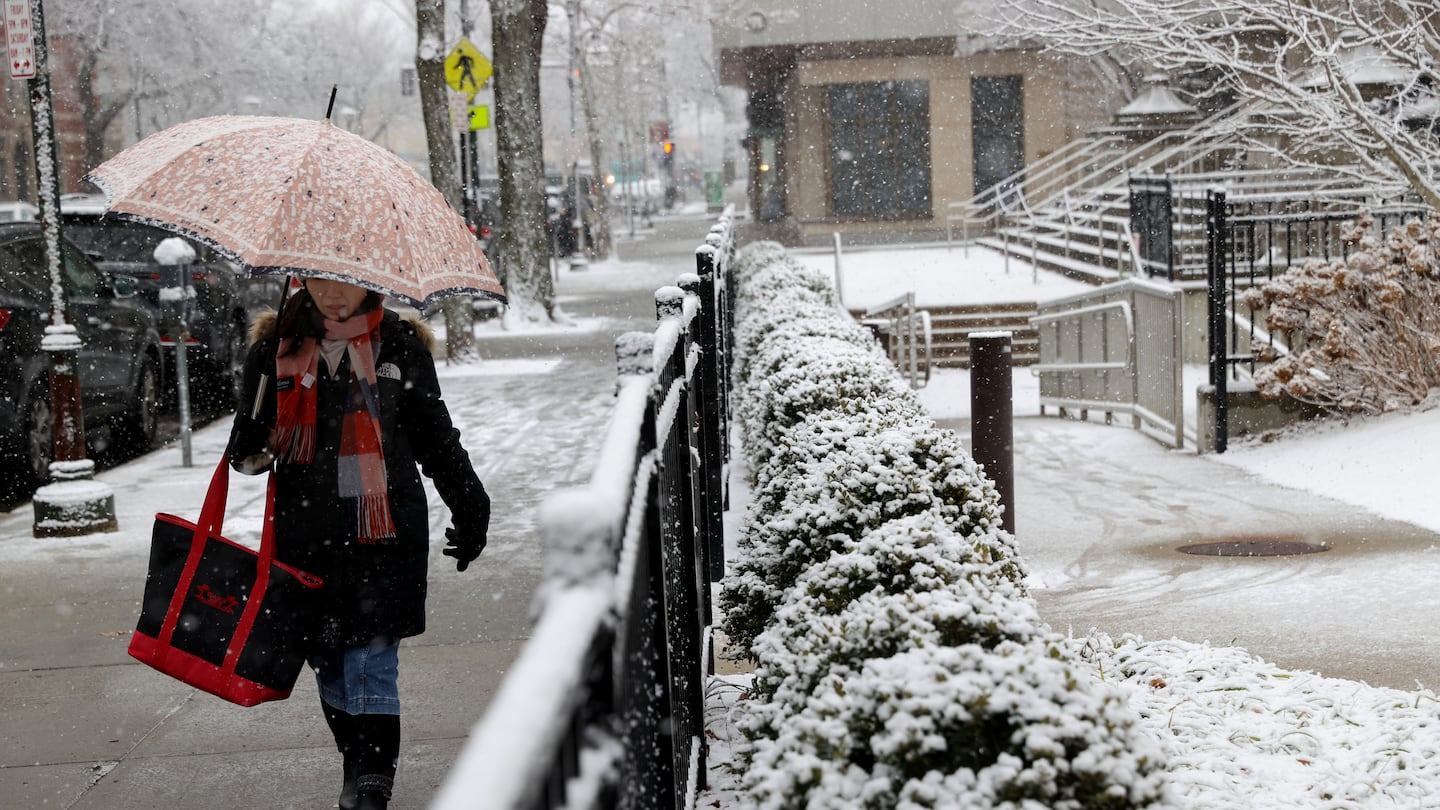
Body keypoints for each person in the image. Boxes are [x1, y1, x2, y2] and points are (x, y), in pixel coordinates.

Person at [226, 277, 490, 810]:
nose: (334, 293)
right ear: (303, 276)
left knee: (370, 659)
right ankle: (358, 761)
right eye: (322, 281)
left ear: (368, 281)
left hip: (383, 533)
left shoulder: (399, 346)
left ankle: (370, 782)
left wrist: (472, 507)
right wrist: (261, 425)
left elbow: (435, 437)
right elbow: (244, 455)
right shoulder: (273, 350)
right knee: (328, 660)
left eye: (345, 282)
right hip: (307, 537)